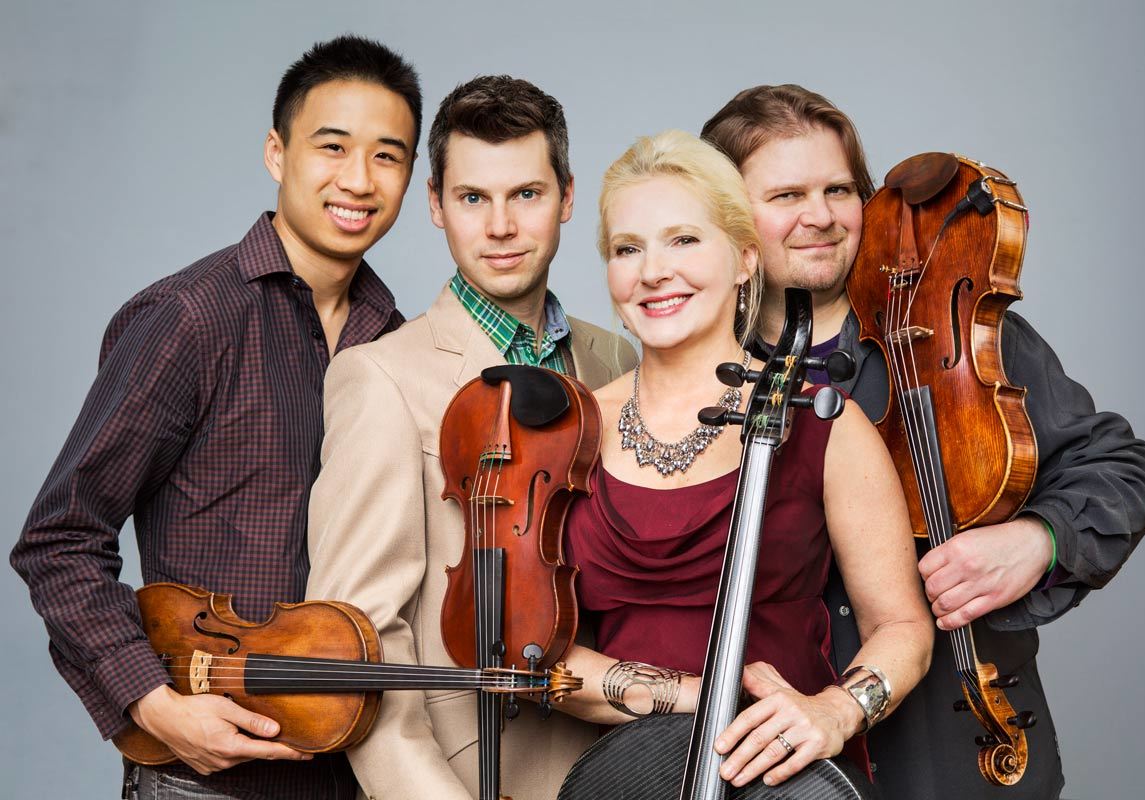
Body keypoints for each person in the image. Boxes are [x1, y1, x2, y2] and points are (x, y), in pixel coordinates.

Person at [701, 84, 1145, 798]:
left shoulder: (953, 330)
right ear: (727, 215)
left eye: (839, 189)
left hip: (958, 748)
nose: (820, 217)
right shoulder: (691, 370)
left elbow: (1120, 468)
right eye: (787, 195)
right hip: (777, 770)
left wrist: (1038, 541)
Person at [10, 35, 422, 799]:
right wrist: (152, 704)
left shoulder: (401, 343)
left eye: (387, 156)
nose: (358, 181)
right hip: (205, 782)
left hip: (358, 771)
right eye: (332, 147)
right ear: (277, 152)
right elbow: (60, 536)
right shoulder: (190, 318)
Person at [551, 129, 933, 790]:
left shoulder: (824, 422)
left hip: (786, 778)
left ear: (744, 259)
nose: (652, 272)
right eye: (627, 248)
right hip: (619, 781)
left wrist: (837, 711)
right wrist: (705, 697)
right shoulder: (570, 429)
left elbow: (903, 627)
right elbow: (531, 656)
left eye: (684, 240)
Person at [304, 75, 639, 800]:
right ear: (436, 205)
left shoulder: (624, 360)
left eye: (526, 194)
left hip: (626, 770)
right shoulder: (380, 378)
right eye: (472, 199)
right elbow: (360, 645)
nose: (501, 227)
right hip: (475, 780)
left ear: (568, 198)